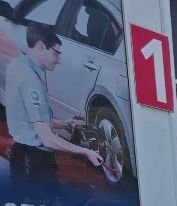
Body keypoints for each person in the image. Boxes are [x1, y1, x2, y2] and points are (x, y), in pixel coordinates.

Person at [3, 22, 104, 191]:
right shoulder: (31, 81)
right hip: (34, 164)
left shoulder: (19, 65)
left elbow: (28, 116)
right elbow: (47, 139)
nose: (59, 61)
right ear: (42, 47)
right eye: (56, 53)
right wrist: (86, 152)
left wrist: (61, 124)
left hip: (22, 155)